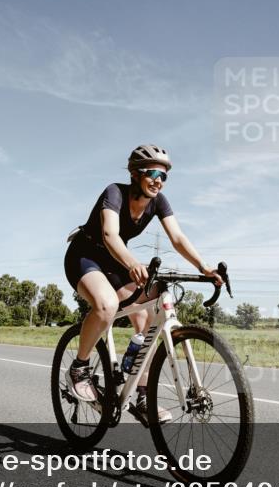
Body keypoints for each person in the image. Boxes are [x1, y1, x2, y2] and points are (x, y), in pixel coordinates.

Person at [64, 145, 221, 425]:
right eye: (152, 173)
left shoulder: (158, 202)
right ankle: (79, 368)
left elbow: (177, 238)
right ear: (135, 174)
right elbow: (110, 234)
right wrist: (133, 263)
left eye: (163, 176)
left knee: (148, 320)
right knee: (106, 305)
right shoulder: (114, 192)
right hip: (85, 256)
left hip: (116, 262)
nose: (158, 180)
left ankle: (142, 396)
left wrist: (203, 267)